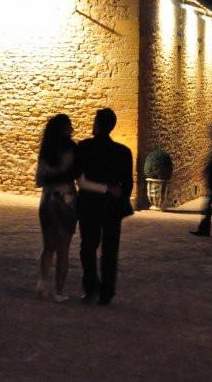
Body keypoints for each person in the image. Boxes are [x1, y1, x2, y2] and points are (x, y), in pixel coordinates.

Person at [74, 108, 134, 306]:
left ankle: (91, 288)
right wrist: (116, 195)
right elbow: (128, 185)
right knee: (110, 250)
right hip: (111, 207)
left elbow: (79, 179)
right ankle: (107, 292)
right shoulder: (123, 152)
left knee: (88, 247)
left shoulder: (83, 147)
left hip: (88, 205)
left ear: (97, 124)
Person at [35, 114, 79, 303]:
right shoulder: (72, 149)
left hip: (47, 199)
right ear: (65, 128)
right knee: (63, 248)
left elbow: (39, 180)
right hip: (66, 199)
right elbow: (80, 177)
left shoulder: (45, 150)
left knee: (48, 247)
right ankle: (59, 292)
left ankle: (42, 283)